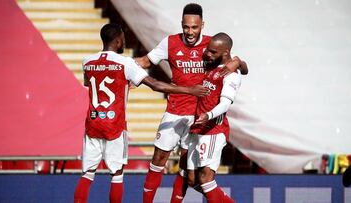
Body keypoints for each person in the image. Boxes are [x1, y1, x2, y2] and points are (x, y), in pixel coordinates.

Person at [73, 23, 209, 203]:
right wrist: (190, 90)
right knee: (116, 175)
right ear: (118, 40)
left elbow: (90, 84)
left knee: (87, 174)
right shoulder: (125, 63)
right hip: (114, 125)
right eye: (123, 38)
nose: (124, 42)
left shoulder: (87, 62)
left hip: (92, 123)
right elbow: (154, 84)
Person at [135, 3, 248, 203]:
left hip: (198, 117)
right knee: (158, 160)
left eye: (194, 27)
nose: (190, 32)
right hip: (175, 110)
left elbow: (235, 64)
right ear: (181, 24)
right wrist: (119, 63)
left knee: (188, 172)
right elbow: (145, 62)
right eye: (186, 27)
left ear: (202, 25)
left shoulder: (211, 45)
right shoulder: (170, 42)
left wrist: (238, 61)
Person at [187, 32, 241, 203]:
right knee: (192, 180)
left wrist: (208, 115)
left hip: (213, 130)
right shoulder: (211, 64)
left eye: (212, 52)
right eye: (208, 50)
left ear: (225, 53)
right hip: (197, 128)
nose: (207, 54)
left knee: (205, 179)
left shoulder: (231, 74)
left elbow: (225, 104)